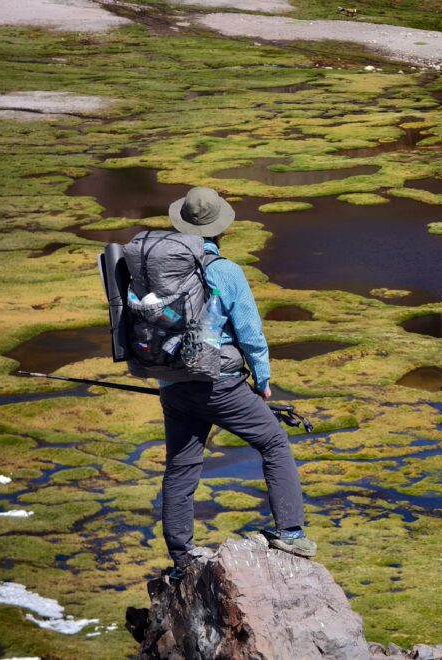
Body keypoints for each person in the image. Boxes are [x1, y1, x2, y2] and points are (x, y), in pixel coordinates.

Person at [158, 187, 315, 580]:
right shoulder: (225, 271)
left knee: (181, 467)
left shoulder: (161, 269)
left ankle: (181, 558)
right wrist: (263, 381)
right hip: (219, 385)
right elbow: (249, 333)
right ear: (219, 229)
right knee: (275, 442)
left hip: (173, 385)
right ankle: (291, 533)